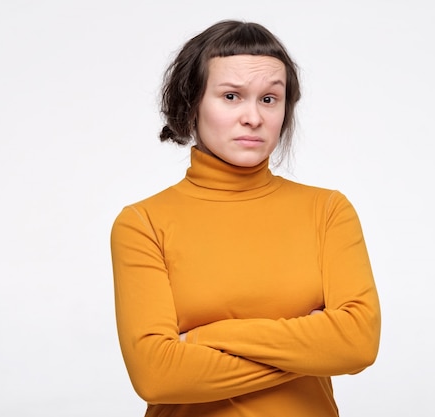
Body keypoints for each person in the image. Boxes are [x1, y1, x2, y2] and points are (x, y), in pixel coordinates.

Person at [110, 20, 381, 416]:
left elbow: (357, 343)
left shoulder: (328, 211)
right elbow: (157, 375)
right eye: (232, 96)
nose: (253, 117)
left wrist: (209, 336)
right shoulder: (143, 223)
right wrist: (311, 346)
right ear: (192, 103)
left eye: (270, 99)